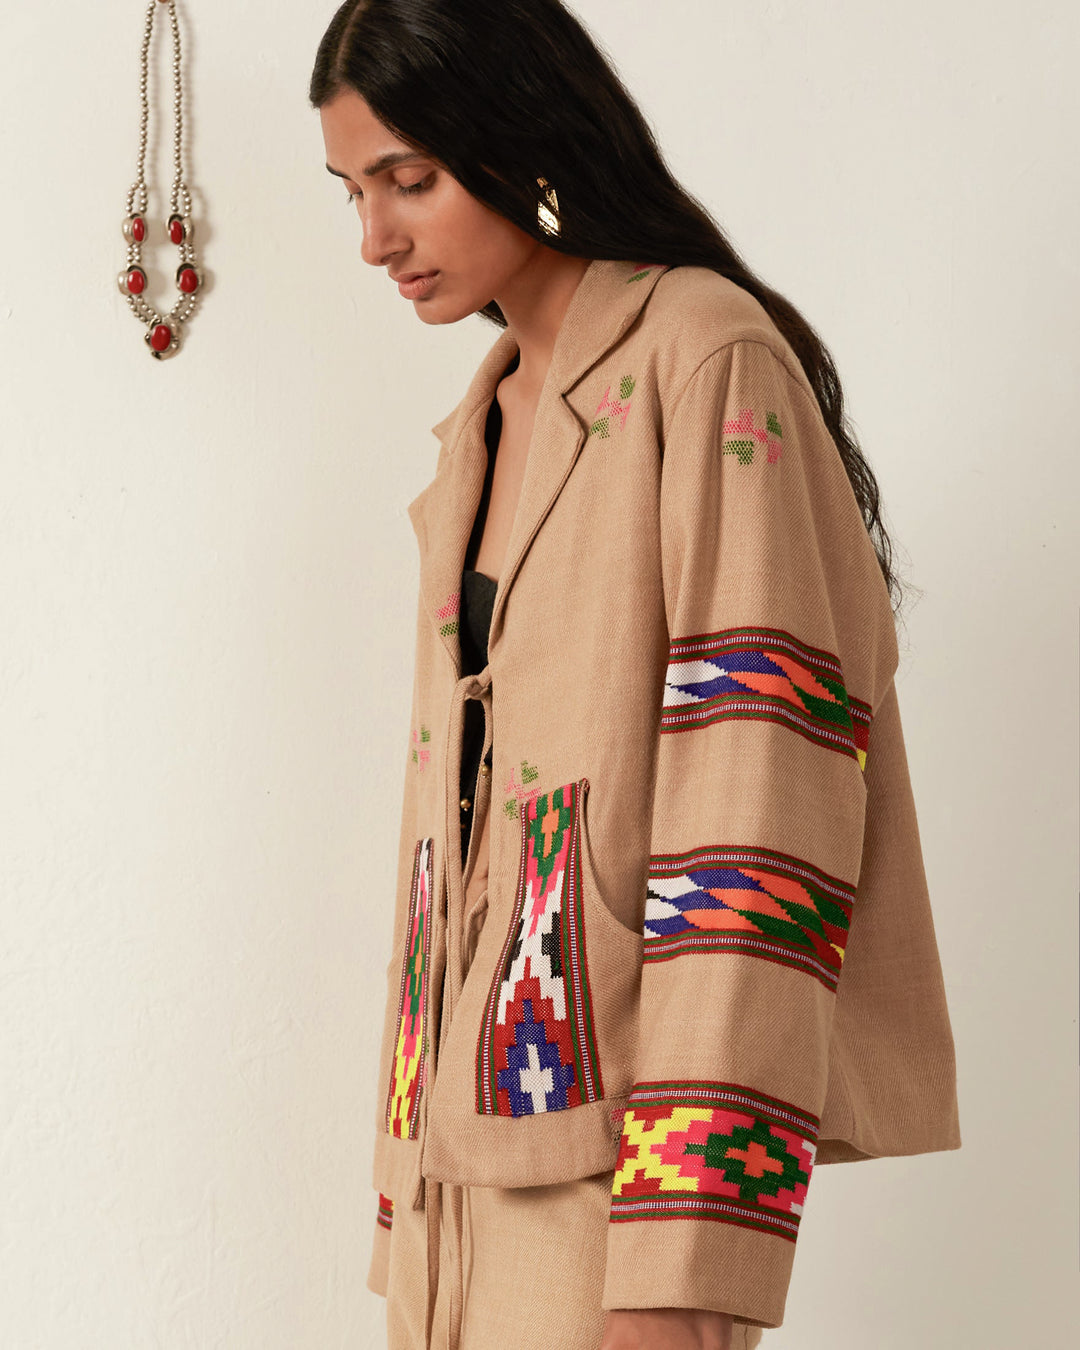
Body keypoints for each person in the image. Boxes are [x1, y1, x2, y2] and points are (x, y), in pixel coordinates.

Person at [310, 3, 962, 1347]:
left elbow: (763, 815)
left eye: (409, 182)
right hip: (452, 1189)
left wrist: (682, 1268)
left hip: (621, 1205)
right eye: (353, 192)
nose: (374, 239)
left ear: (519, 137)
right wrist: (404, 1196)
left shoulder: (702, 358)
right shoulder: (476, 433)